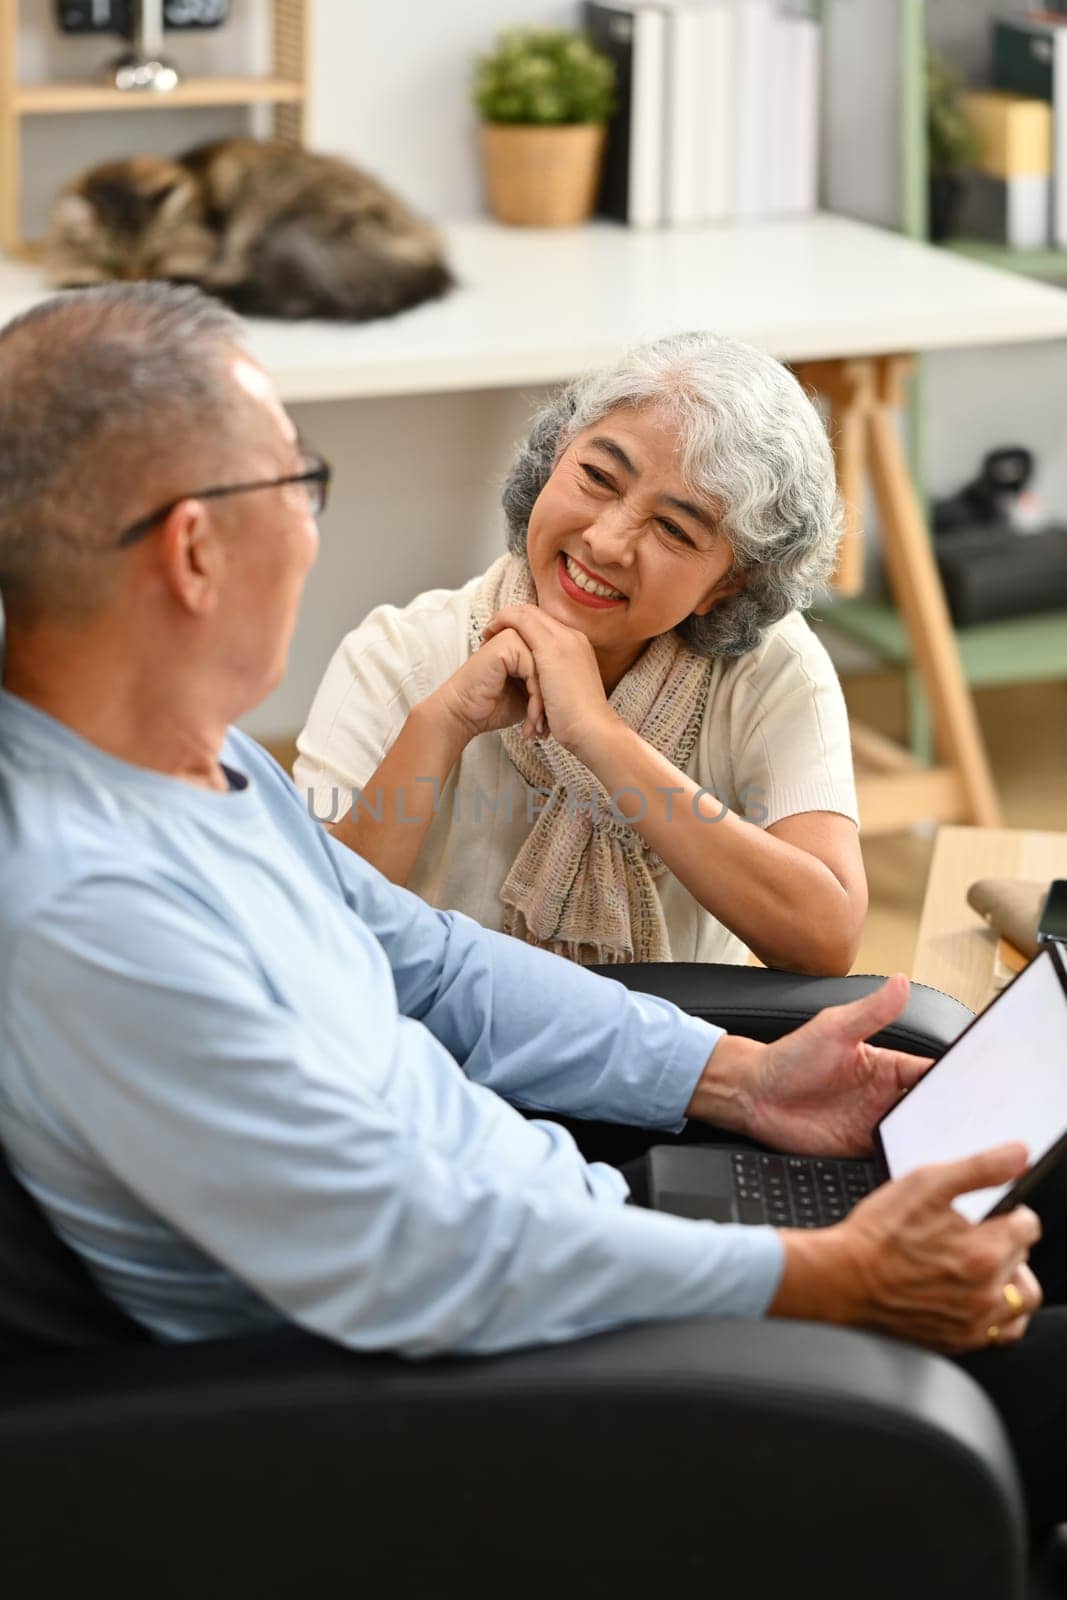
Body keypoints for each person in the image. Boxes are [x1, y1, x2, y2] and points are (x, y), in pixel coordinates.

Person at [0, 286, 1065, 1546]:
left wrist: (738, 1079)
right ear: (192, 549)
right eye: (301, 481)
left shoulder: (197, 762)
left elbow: (434, 963)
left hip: (547, 1236)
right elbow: (421, 1253)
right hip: (467, 1399)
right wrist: (823, 1280)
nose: (314, 524)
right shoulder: (92, 912)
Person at [295, 333, 865, 974]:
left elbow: (827, 937)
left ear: (729, 585)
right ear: (556, 453)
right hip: (437, 1055)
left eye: (674, 529)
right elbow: (319, 945)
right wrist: (441, 723)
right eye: (597, 477)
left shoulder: (773, 670)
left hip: (688, 1055)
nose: (607, 541)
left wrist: (600, 735)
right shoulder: (400, 653)